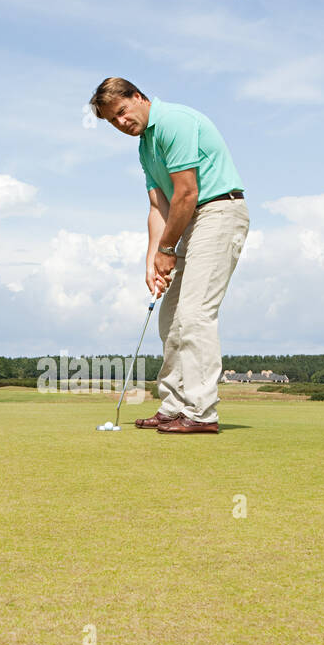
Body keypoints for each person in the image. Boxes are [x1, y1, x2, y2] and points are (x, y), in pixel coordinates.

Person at [89, 77, 248, 434]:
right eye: (112, 121)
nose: (120, 123)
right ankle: (174, 406)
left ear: (138, 97)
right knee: (170, 319)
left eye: (122, 111)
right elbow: (158, 207)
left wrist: (166, 250)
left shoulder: (173, 122)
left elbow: (186, 193)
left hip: (219, 212)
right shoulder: (145, 146)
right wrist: (152, 262)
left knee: (194, 315)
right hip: (186, 222)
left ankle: (201, 413)